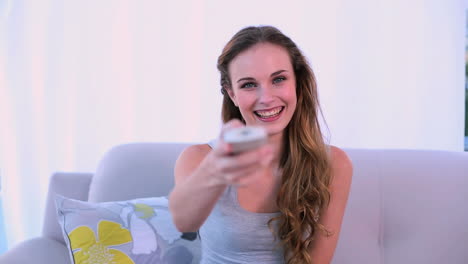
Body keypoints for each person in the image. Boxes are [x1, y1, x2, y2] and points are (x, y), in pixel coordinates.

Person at [169, 25, 353, 264]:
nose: (266, 98)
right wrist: (214, 170)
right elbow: (184, 221)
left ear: (297, 82)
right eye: (248, 84)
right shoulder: (198, 159)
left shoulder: (334, 165)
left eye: (278, 79)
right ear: (232, 93)